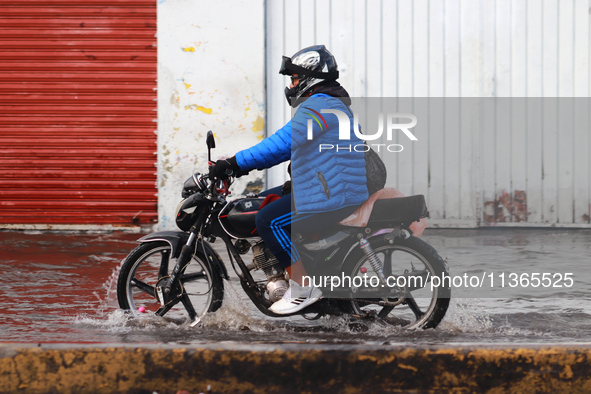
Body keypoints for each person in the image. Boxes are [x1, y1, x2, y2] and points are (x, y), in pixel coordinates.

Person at [209, 45, 368, 314]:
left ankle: (302, 286)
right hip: (329, 187)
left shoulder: (323, 105)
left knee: (268, 220)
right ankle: (289, 269)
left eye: (294, 78)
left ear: (310, 77)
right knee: (259, 202)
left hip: (333, 195)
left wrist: (234, 164)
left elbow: (282, 144)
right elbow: (291, 150)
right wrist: (239, 166)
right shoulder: (328, 103)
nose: (292, 85)